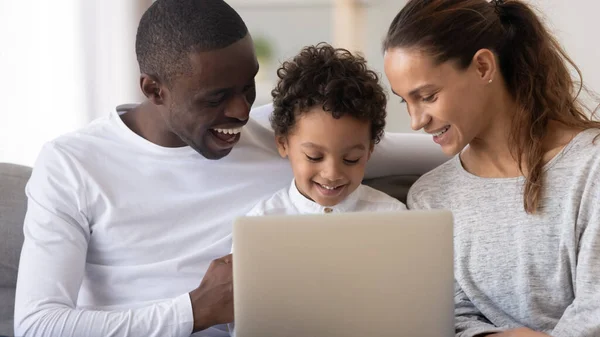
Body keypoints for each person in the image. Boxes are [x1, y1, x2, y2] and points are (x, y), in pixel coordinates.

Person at [13, 1, 444, 336]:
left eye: (247, 86)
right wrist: (196, 309)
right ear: (153, 89)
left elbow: (446, 149)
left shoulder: (289, 142)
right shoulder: (72, 164)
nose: (241, 111)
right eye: (216, 96)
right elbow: (38, 324)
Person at [382, 0, 600, 336]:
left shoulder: (591, 167)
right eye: (405, 100)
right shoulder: (430, 198)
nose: (415, 121)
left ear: (483, 66)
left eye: (427, 95)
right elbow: (448, 316)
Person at [245, 43, 407, 217]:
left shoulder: (392, 215)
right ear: (283, 143)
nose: (332, 174)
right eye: (314, 156)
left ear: (370, 149)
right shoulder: (263, 220)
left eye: (351, 159)